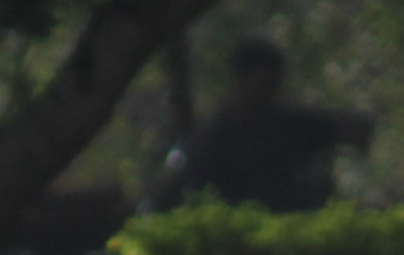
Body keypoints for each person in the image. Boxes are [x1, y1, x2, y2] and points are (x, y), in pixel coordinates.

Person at [152, 38, 372, 214]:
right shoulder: (212, 141)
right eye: (261, 84)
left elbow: (351, 129)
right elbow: (178, 196)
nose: (267, 93)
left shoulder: (291, 127)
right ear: (239, 81)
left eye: (273, 85)